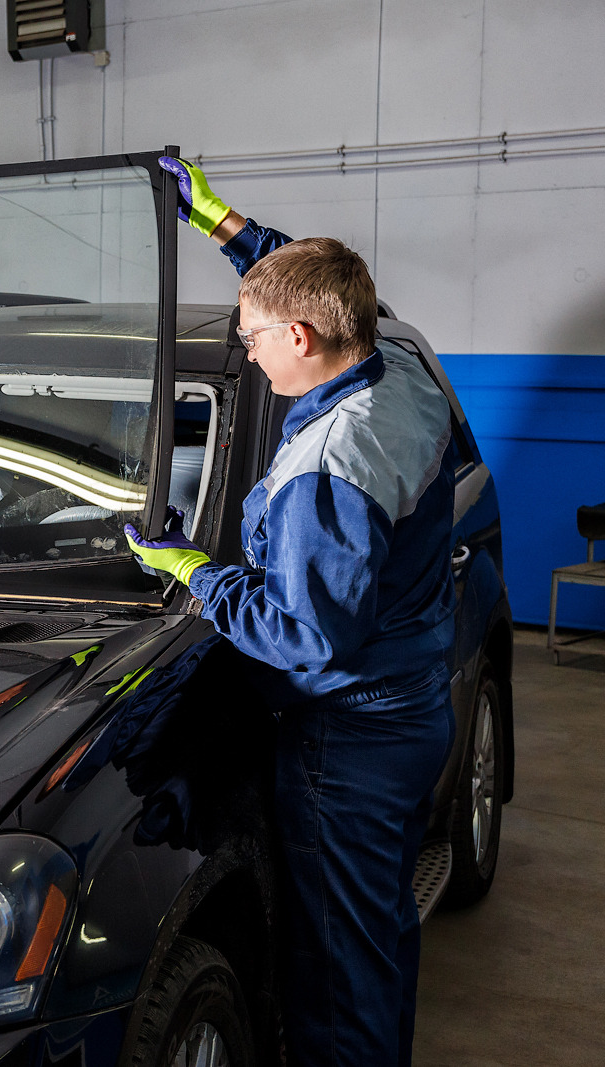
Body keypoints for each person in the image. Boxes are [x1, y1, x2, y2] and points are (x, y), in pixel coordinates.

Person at [125, 158, 457, 1067]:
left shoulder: (325, 469)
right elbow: (312, 285)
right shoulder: (397, 371)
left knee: (337, 975)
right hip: (412, 705)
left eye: (254, 336)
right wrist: (223, 224)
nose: (246, 349)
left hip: (346, 736)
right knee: (376, 935)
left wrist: (200, 571)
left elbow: (306, 634)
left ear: (302, 338)